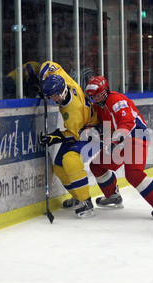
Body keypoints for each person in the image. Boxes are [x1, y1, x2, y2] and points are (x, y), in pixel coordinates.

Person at [84, 75, 153, 219]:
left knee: (133, 173)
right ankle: (112, 196)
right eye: (93, 96)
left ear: (106, 91)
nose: (96, 99)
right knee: (97, 166)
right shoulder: (97, 107)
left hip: (136, 136)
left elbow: (127, 123)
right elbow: (103, 127)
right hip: (119, 142)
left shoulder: (117, 101)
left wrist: (113, 141)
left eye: (99, 95)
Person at [39, 61, 100, 218]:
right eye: (50, 96)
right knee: (59, 167)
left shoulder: (73, 113)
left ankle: (85, 201)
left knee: (70, 160)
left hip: (91, 132)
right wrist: (42, 79)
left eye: (55, 95)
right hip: (80, 130)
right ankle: (77, 197)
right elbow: (49, 65)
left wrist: (54, 137)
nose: (54, 99)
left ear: (63, 90)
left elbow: (74, 135)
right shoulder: (64, 79)